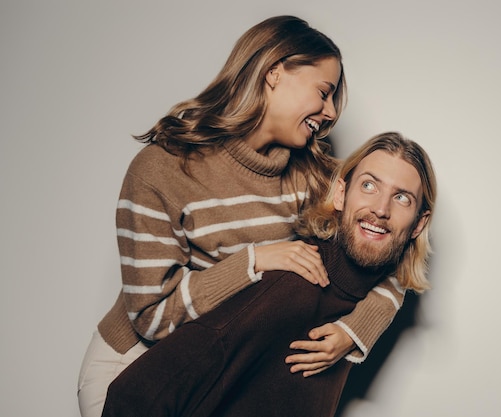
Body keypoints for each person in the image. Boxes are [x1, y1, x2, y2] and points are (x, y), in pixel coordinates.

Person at [77, 16, 404, 417]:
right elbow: (151, 318)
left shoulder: (315, 178)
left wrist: (354, 332)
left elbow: (389, 252)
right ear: (273, 73)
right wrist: (254, 261)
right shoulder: (162, 169)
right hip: (134, 364)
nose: (332, 111)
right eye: (324, 92)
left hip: (223, 369)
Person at [101, 131, 437, 417]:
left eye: (402, 198)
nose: (380, 208)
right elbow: (132, 398)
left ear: (418, 224)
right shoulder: (290, 289)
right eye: (368, 185)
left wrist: (356, 331)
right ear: (340, 194)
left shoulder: (356, 303)